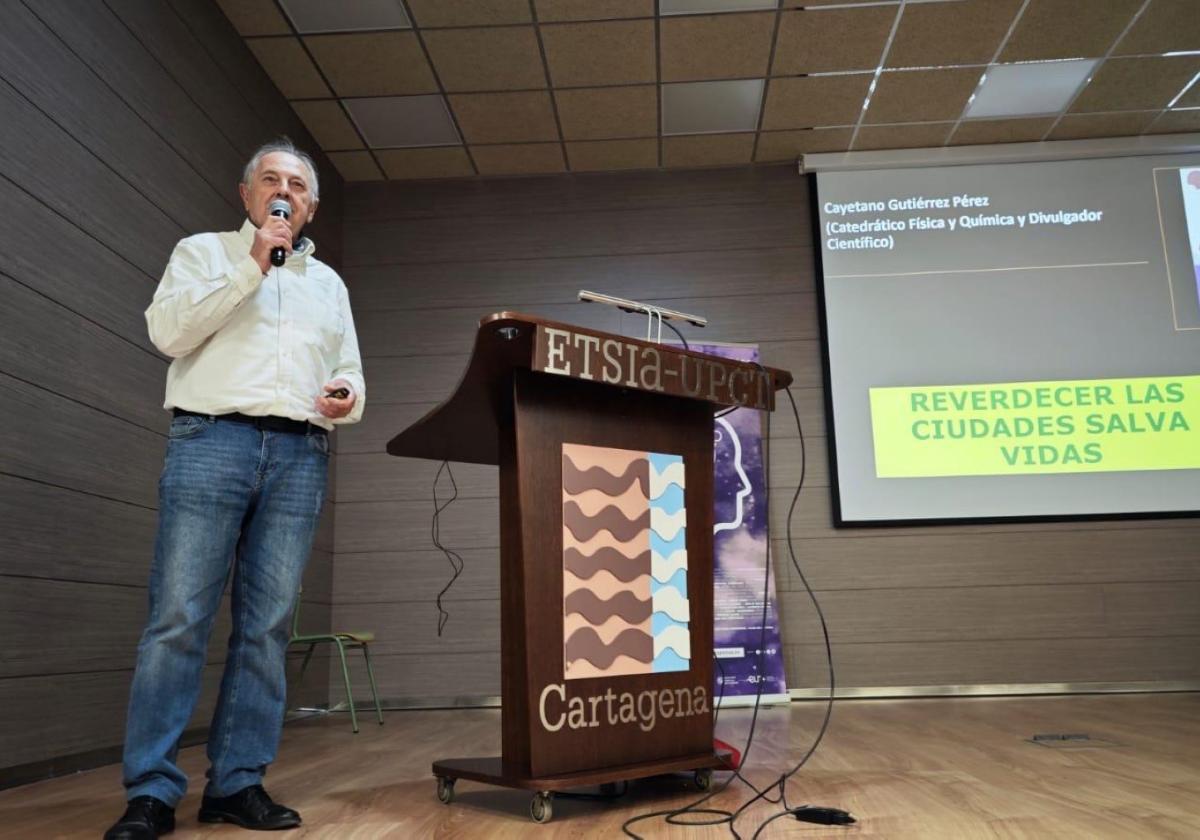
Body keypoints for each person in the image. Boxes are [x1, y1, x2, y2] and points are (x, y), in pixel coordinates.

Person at [104, 139, 365, 840]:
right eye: (273, 182)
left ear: (310, 207)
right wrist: (253, 265)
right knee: (178, 619)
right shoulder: (203, 252)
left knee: (267, 626)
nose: (286, 194)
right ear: (248, 195)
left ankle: (237, 783)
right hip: (210, 442)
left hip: (299, 452)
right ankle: (151, 792)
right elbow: (168, 333)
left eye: (299, 188)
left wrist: (345, 394)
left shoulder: (329, 285)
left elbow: (350, 369)